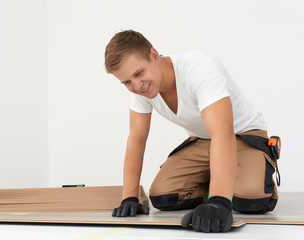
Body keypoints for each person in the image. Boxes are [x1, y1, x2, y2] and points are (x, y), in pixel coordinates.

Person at [104, 30, 279, 233]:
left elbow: (223, 133)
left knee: (252, 199)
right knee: (163, 197)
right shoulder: (142, 89)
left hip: (244, 135)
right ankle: (224, 181)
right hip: (202, 141)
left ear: (154, 55)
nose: (136, 86)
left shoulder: (199, 68)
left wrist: (219, 201)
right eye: (126, 82)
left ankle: (230, 185)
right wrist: (130, 196)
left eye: (138, 73)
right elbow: (136, 139)